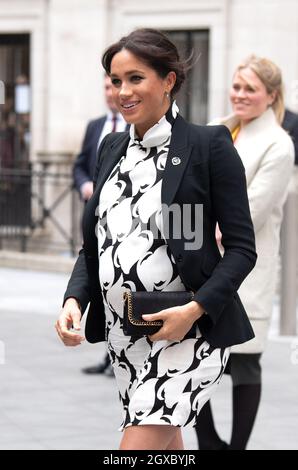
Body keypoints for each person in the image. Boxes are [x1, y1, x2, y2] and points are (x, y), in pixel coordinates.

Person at [55, 28, 257, 451]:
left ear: (168, 81)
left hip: (190, 331)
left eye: (135, 78)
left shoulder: (208, 146)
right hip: (124, 334)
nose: (122, 91)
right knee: (165, 448)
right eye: (115, 80)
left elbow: (241, 249)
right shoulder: (110, 148)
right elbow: (95, 244)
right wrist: (75, 299)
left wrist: (195, 309)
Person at [195, 55, 295, 450]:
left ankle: (236, 447)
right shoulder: (217, 129)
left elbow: (249, 211)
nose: (240, 95)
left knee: (244, 359)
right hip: (203, 262)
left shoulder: (279, 144)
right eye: (237, 86)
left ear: (271, 96)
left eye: (250, 89)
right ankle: (207, 441)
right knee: (196, 353)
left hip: (246, 264)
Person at [73, 74, 128, 376]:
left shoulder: (139, 127)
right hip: (96, 221)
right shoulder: (97, 127)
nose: (114, 92)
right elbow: (80, 165)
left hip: (127, 226)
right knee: (99, 281)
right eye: (109, 86)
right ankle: (109, 354)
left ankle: (116, 354)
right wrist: (84, 185)